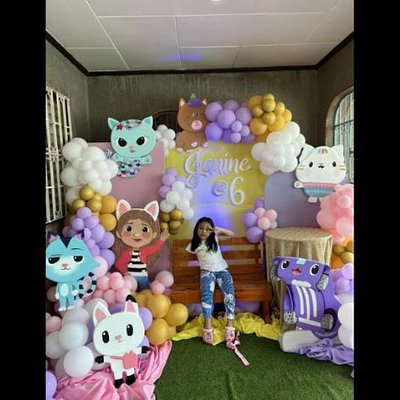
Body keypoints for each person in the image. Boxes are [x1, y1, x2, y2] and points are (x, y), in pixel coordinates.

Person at [186, 216, 236, 345]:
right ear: (196, 229)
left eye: (207, 229)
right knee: (206, 294)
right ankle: (207, 325)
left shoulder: (215, 238)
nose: (203, 231)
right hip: (206, 272)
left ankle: (230, 323)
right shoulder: (193, 245)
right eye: (200, 228)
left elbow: (231, 234)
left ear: (211, 230)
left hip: (222, 270)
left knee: (229, 291)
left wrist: (220, 230)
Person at [112, 199, 170, 291]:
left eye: (144, 229)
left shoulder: (144, 251)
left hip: (143, 276)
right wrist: (125, 272)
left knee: (145, 291)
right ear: (119, 234)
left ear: (153, 235)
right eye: (129, 228)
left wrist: (161, 240)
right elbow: (119, 263)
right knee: (130, 292)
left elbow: (154, 248)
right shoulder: (126, 253)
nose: (136, 234)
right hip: (130, 278)